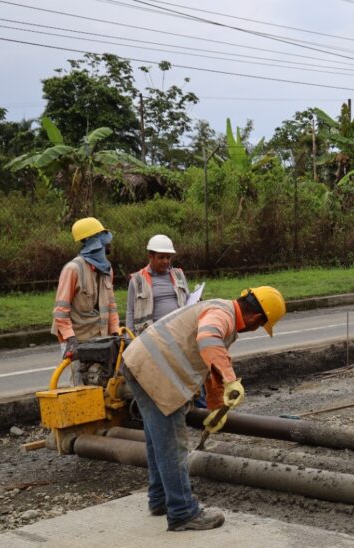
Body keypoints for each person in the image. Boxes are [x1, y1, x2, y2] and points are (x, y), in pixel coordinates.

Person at [121, 286, 286, 531]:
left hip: (139, 363)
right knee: (172, 445)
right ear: (256, 318)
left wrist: (216, 407)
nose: (255, 329)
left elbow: (209, 365)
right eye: (260, 325)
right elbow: (208, 340)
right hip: (153, 370)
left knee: (157, 440)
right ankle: (182, 512)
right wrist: (231, 379)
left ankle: (160, 499)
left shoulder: (221, 310)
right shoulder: (223, 315)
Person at [52, 217, 119, 383]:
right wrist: (71, 340)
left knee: (103, 383)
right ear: (95, 242)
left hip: (102, 340)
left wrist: (115, 332)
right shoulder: (73, 269)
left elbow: (111, 305)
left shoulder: (107, 270)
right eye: (106, 240)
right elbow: (60, 311)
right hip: (78, 340)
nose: (109, 244)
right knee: (80, 387)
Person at [127, 234, 190, 335]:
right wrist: (129, 338)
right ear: (150, 256)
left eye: (168, 257)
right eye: (161, 257)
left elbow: (187, 300)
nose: (165, 261)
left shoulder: (179, 275)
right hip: (150, 336)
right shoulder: (137, 280)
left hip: (179, 332)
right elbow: (130, 311)